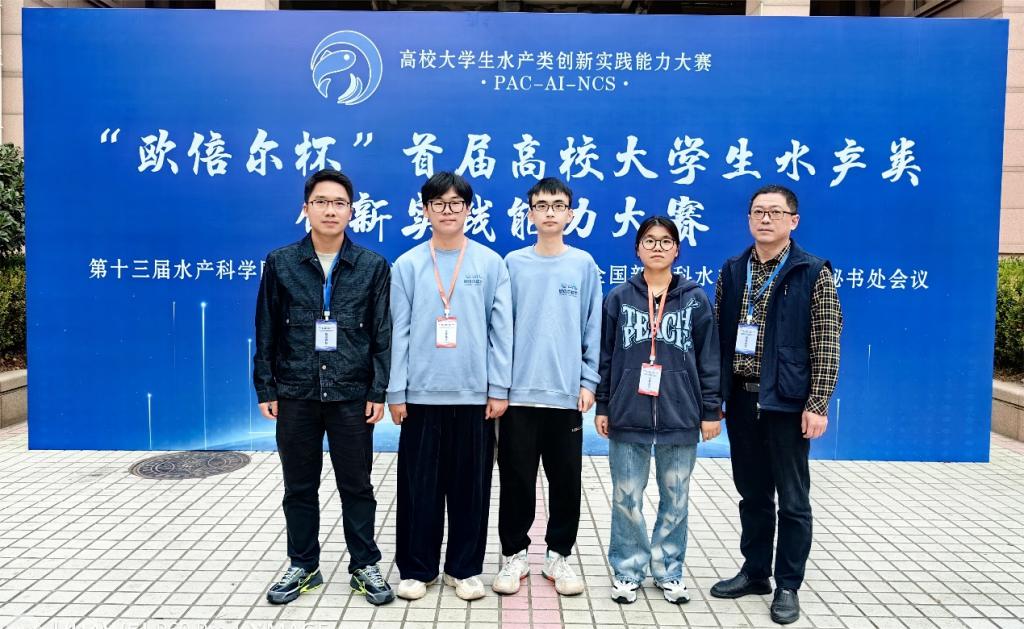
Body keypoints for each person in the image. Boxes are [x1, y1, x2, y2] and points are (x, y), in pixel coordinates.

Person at [254, 169, 394, 606]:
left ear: (352, 211)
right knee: (299, 486)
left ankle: (364, 565)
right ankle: (303, 565)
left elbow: (382, 334)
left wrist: (377, 391)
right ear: (306, 209)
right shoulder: (281, 263)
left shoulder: (372, 266)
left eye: (339, 203)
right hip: (295, 391)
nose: (330, 210)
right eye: (321, 202)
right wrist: (266, 387)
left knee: (357, 486)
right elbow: (266, 328)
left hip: (351, 394)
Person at [711, 184, 843, 625]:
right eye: (758, 212)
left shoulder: (812, 271)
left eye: (775, 212)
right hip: (743, 399)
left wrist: (817, 402)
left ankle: (788, 584)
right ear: (749, 219)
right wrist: (717, 395)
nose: (765, 219)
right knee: (752, 494)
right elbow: (718, 338)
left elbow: (826, 341)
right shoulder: (733, 270)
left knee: (793, 498)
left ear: (793, 220)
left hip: (787, 402)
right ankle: (755, 573)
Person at [387, 171, 513, 601]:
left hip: (475, 397)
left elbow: (501, 333)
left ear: (468, 209)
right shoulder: (407, 265)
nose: (447, 210)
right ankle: (416, 568)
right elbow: (399, 332)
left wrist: (499, 388)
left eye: (456, 203)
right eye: (438, 203)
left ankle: (465, 568)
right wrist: (396, 392)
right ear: (425, 210)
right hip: (420, 397)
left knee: (470, 487)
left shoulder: (490, 263)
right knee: (418, 486)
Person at [594, 216, 721, 605]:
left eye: (666, 241)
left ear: (677, 250)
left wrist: (711, 411)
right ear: (637, 249)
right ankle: (628, 570)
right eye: (649, 241)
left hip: (680, 414)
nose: (658, 248)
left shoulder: (695, 299)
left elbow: (709, 359)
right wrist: (603, 404)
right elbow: (605, 356)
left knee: (676, 498)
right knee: (626, 497)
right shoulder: (619, 298)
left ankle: (668, 570)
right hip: (627, 413)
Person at [492, 177, 600, 597]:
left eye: (558, 205)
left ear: (570, 214)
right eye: (542, 205)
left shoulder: (583, 265)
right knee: (515, 478)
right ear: (530, 214)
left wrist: (588, 380)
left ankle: (559, 556)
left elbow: (592, 327)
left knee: (566, 480)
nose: (550, 212)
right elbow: (500, 329)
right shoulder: (513, 263)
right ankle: (514, 555)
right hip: (518, 395)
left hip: (565, 395)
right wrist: (499, 386)